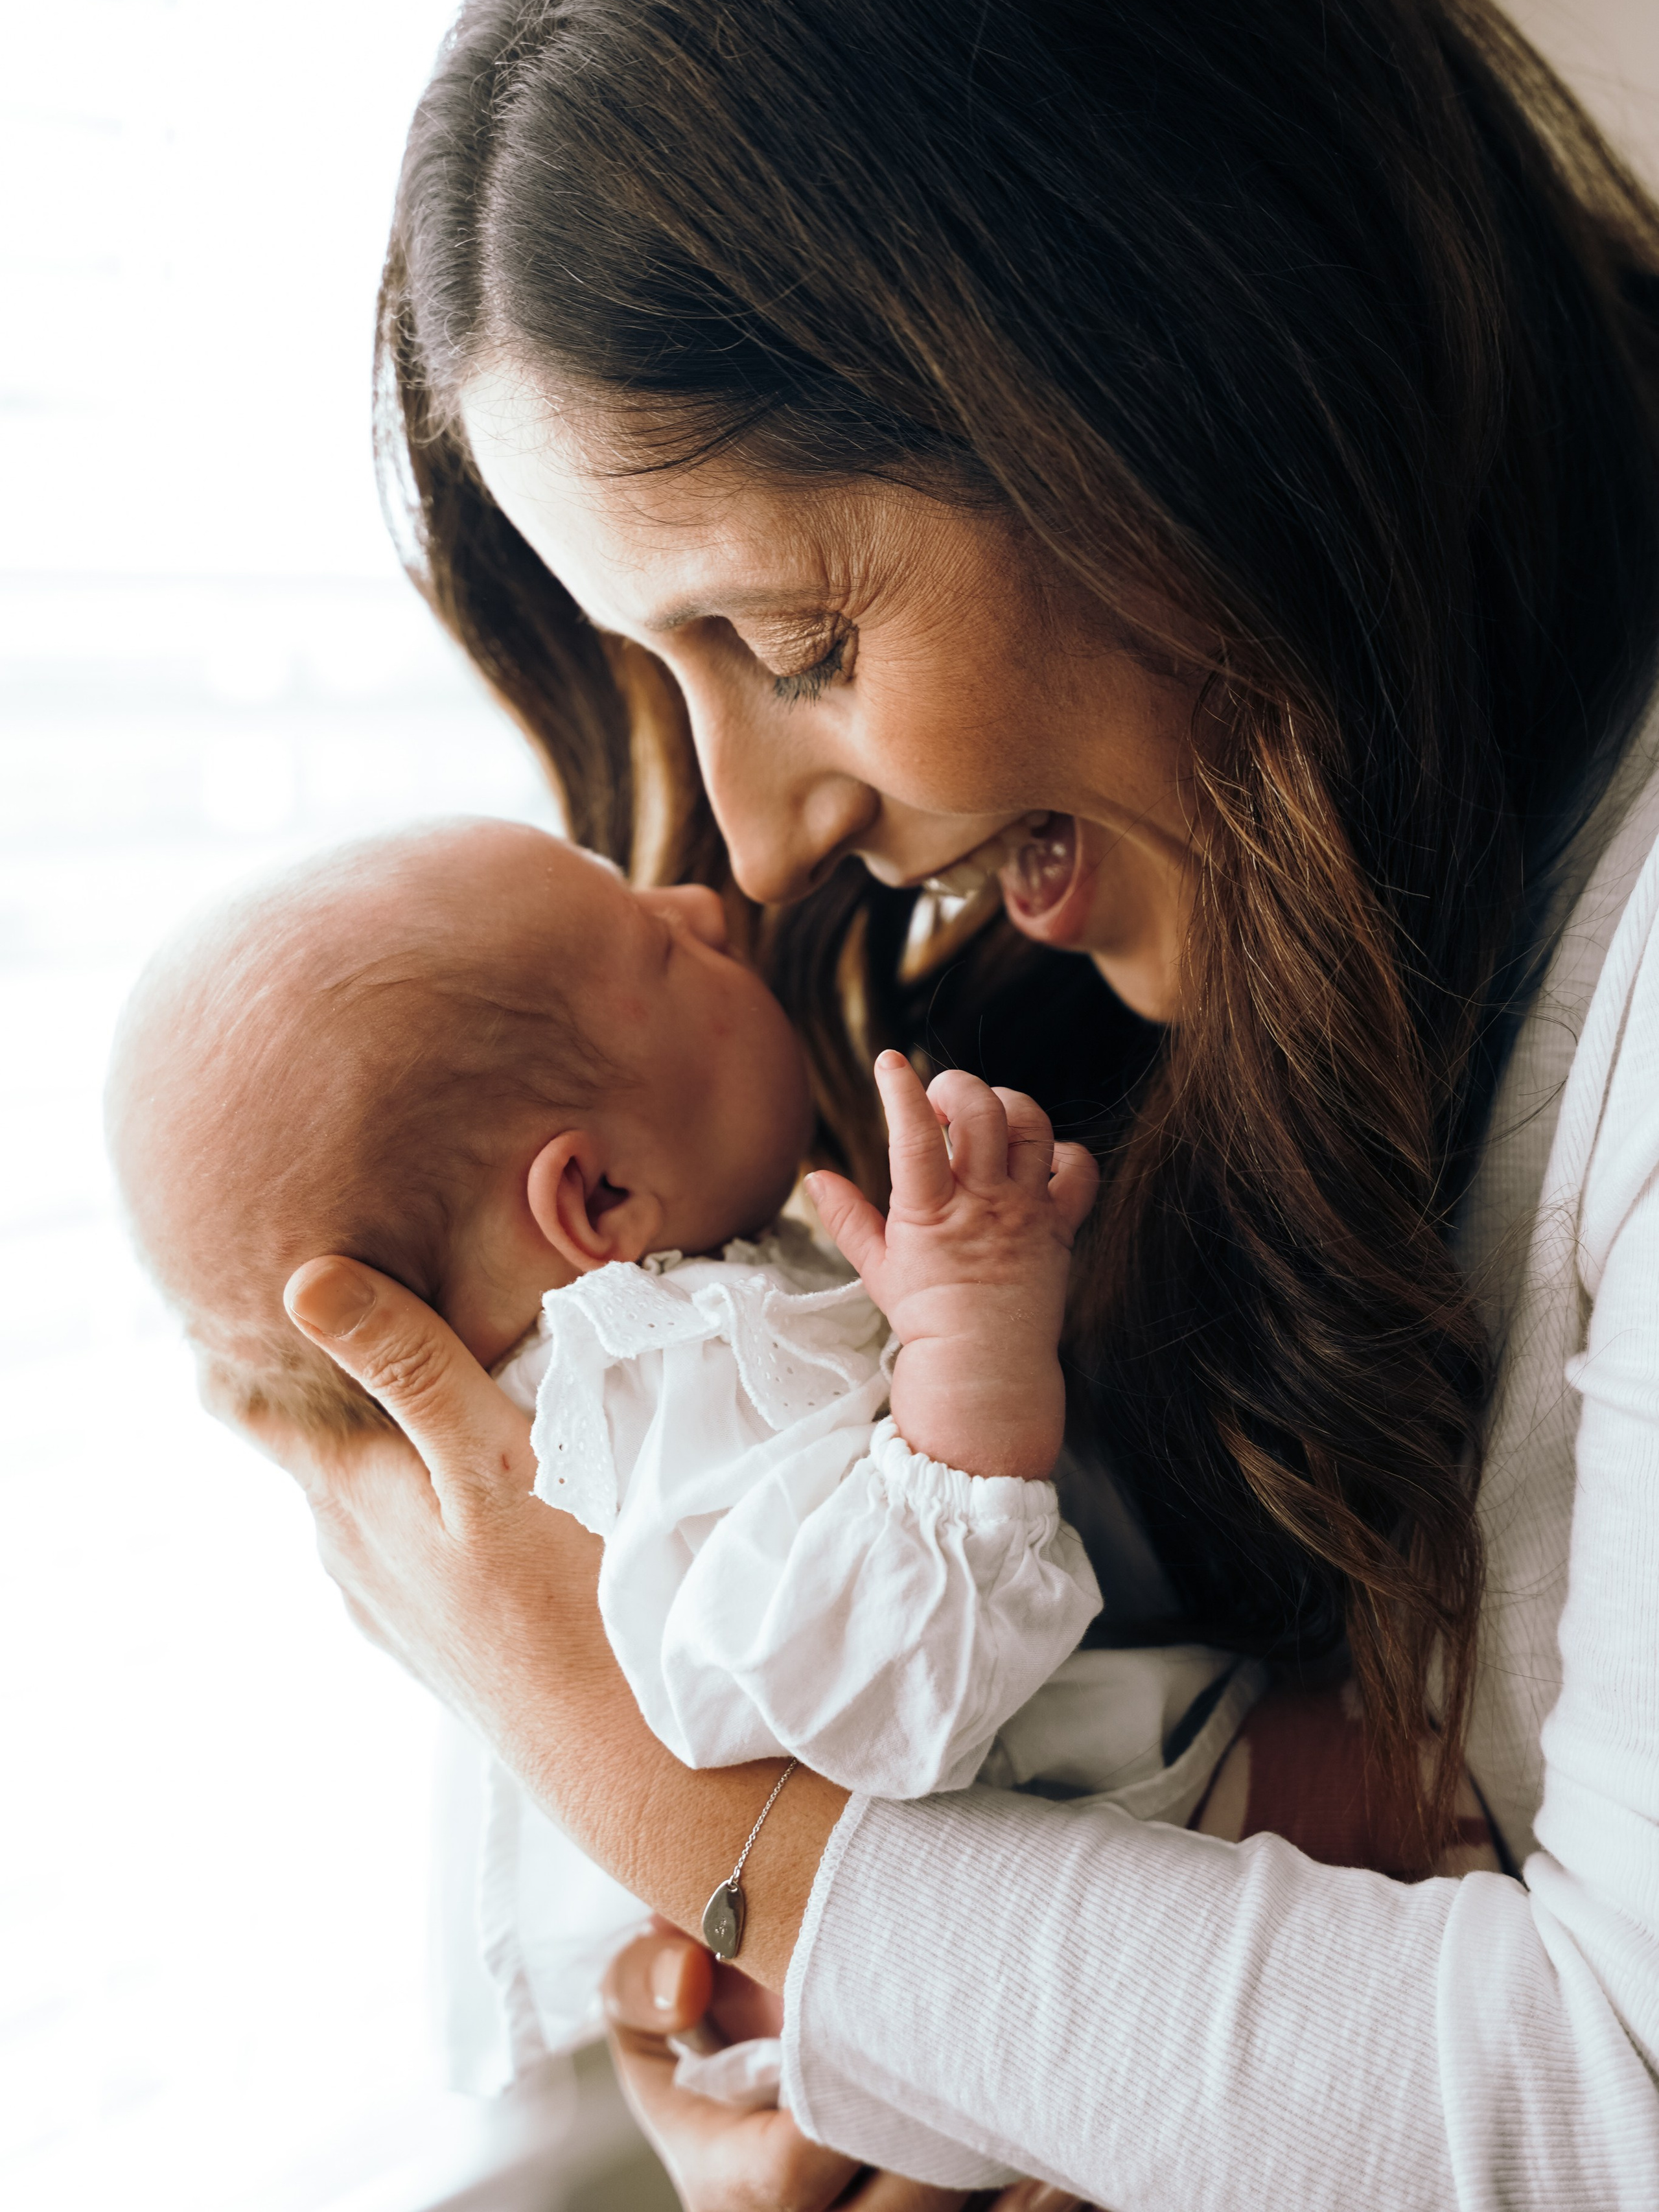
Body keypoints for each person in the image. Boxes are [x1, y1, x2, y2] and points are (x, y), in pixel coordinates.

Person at [217, 0, 1659, 2200]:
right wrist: (884, 2062)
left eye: (789, 636)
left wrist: (696, 1812)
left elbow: (1601, 2107)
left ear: (1180, 370)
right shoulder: (1165, 1041)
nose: (772, 843)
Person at [108, 815, 1262, 2093]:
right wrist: (968, 1350)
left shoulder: (645, 1352)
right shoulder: (660, 1390)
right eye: (654, 947)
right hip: (1078, 1934)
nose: (706, 909)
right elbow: (879, 1693)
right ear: (596, 1201)